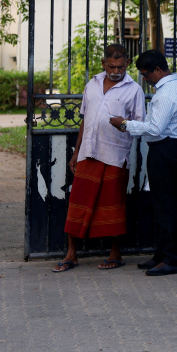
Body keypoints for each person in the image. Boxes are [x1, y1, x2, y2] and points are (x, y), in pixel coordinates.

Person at [55, 43, 145, 272]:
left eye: (121, 66)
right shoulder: (91, 85)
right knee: (78, 204)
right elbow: (85, 120)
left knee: (112, 205)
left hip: (115, 155)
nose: (116, 71)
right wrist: (76, 152)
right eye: (112, 67)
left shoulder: (134, 89)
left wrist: (123, 125)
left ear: (127, 64)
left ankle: (115, 254)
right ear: (103, 64)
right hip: (88, 153)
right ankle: (71, 254)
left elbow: (139, 125)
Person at [111, 50, 177, 277]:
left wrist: (125, 124)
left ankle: (170, 260)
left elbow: (156, 128)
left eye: (146, 74)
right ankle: (161, 255)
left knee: (165, 206)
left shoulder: (166, 94)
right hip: (176, 149)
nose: (144, 79)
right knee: (164, 204)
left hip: (166, 149)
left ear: (158, 70)